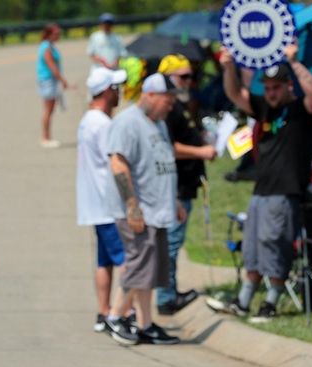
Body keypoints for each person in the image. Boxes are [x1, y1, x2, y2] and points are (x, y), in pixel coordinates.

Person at [208, 41, 312, 322]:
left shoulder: (300, 111)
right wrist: (228, 66)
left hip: (286, 191)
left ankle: (270, 303)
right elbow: (235, 94)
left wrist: (294, 62)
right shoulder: (264, 110)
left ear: (288, 87)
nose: (271, 93)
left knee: (275, 245)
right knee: (253, 247)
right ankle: (244, 300)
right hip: (261, 189)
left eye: (276, 87)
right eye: (268, 87)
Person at [104, 73, 186, 345]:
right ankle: (116, 317)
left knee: (148, 272)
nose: (171, 105)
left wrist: (172, 201)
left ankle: (145, 324)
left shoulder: (158, 123)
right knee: (139, 267)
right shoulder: (127, 123)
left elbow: (160, 163)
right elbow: (118, 163)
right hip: (138, 212)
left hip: (157, 210)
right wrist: (132, 206)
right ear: (149, 94)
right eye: (167, 99)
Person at [155, 54, 217, 315]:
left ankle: (169, 291)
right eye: (183, 76)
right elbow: (168, 148)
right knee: (170, 242)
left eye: (191, 76)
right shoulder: (168, 109)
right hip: (175, 185)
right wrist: (201, 152)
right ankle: (166, 297)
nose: (189, 81)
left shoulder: (182, 104)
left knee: (174, 242)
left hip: (186, 184)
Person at [75, 67, 129, 332]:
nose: (119, 93)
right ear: (107, 91)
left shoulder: (88, 120)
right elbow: (116, 162)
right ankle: (123, 313)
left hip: (94, 205)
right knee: (128, 261)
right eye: (117, 88)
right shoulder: (105, 124)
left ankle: (103, 311)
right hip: (109, 205)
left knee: (104, 261)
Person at [36, 23, 68, 149]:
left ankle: (48, 136)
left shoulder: (50, 46)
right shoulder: (46, 47)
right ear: (49, 34)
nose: (58, 36)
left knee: (50, 110)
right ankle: (45, 137)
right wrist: (63, 81)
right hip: (48, 81)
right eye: (56, 34)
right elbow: (52, 67)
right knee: (48, 110)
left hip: (51, 81)